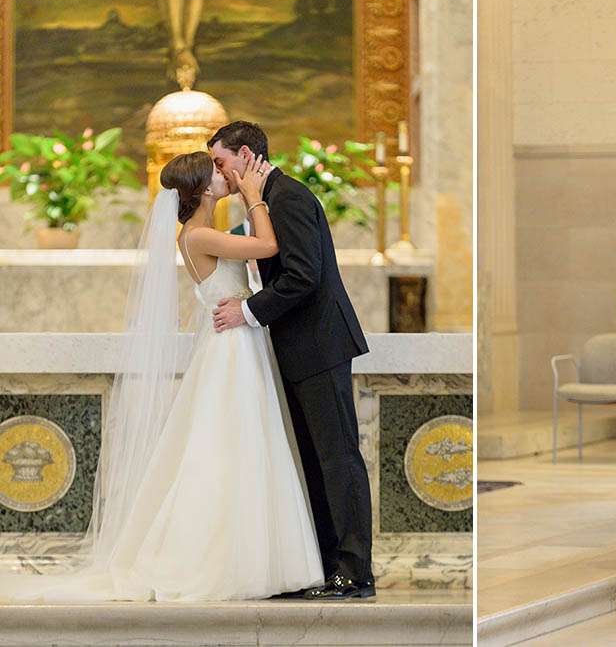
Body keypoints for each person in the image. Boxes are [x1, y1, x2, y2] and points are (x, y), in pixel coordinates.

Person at [0, 152, 324, 601]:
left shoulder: (203, 233)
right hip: (231, 351)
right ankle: (220, 559)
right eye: (215, 169)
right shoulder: (198, 236)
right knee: (231, 447)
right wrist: (254, 198)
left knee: (243, 447)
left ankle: (255, 555)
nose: (222, 173)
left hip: (237, 343)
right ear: (204, 188)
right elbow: (267, 247)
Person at [209, 121, 374, 600]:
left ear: (244, 154)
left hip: (320, 346)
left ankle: (354, 571)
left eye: (221, 162)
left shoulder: (289, 197)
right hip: (298, 348)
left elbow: (304, 275)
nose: (219, 173)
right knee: (315, 461)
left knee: (338, 458)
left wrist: (247, 310)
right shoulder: (264, 200)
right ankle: (327, 566)